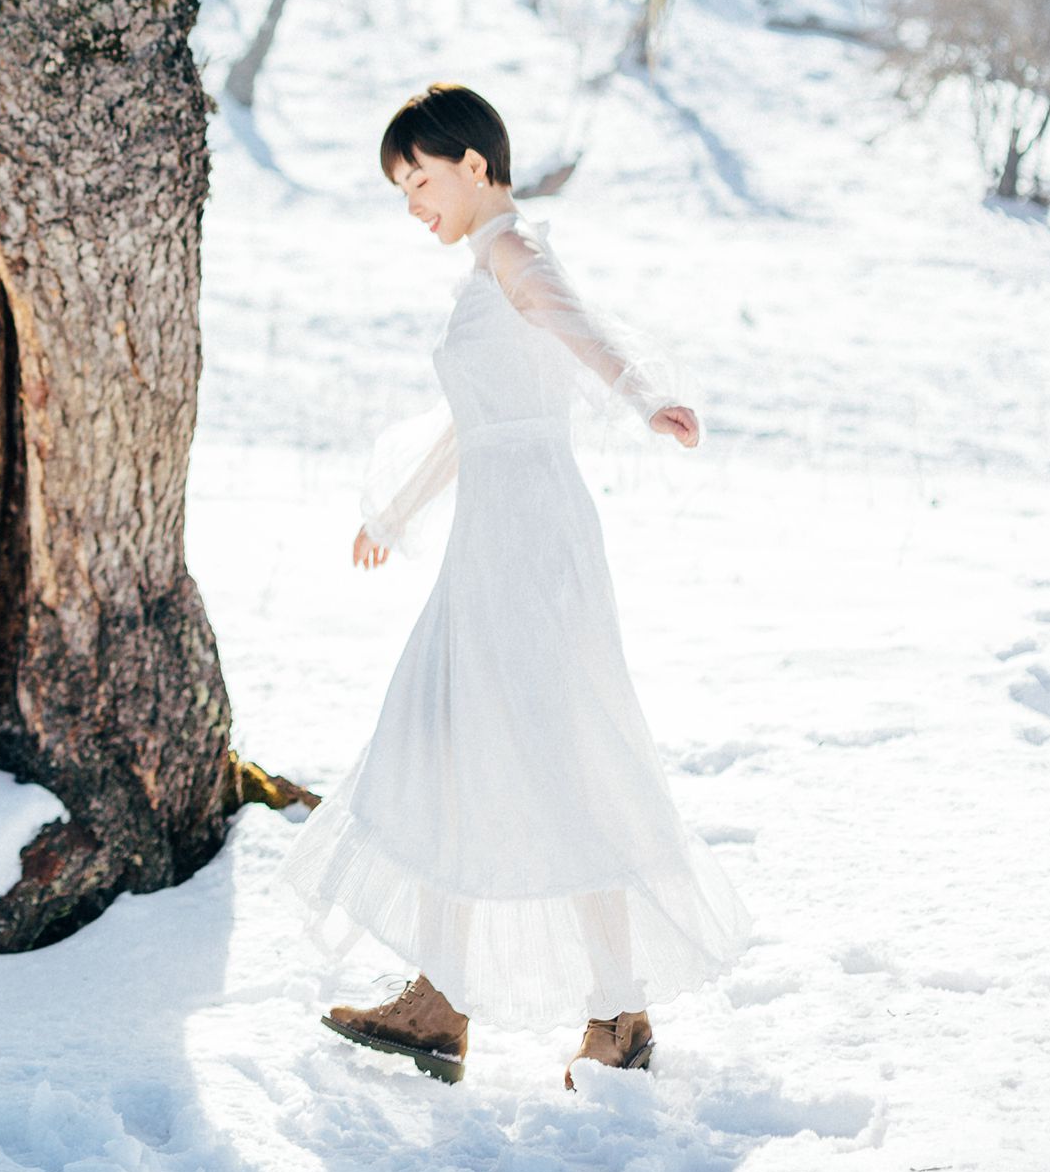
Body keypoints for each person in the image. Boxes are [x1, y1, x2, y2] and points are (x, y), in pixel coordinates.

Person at [281, 83, 750, 1087]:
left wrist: (644, 393)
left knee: (555, 757)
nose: (412, 199)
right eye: (400, 186)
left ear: (478, 164)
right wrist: (394, 511)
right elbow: (472, 419)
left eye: (420, 176)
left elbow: (568, 318)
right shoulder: (483, 271)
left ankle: (618, 1011)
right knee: (448, 740)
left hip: (530, 541)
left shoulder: (512, 252)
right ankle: (438, 1003)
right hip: (492, 534)